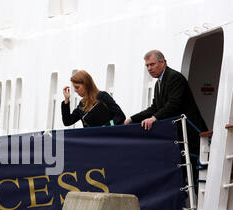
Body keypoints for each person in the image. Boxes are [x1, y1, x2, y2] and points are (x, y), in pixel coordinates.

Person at [123, 50, 208, 183]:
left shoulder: (174, 78)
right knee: (181, 174)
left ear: (163, 62)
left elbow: (173, 104)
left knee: (195, 174)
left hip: (190, 135)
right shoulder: (159, 84)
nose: (149, 69)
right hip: (177, 137)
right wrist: (131, 119)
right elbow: (155, 108)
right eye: (147, 66)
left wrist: (154, 118)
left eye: (152, 64)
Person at [61, 70, 126, 127]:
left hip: (108, 138)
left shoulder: (103, 96)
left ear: (87, 85)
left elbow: (120, 116)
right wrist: (66, 100)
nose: (75, 90)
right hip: (92, 140)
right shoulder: (82, 105)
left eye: (77, 87)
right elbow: (67, 121)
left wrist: (106, 126)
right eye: (74, 87)